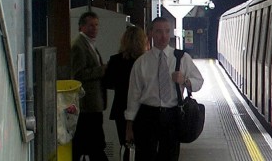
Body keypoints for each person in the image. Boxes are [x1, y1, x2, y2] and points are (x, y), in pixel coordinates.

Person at [125, 17, 205, 160]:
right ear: (151, 33)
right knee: (145, 156)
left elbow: (199, 81)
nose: (163, 36)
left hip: (172, 115)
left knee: (170, 156)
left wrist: (185, 81)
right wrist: (129, 125)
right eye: (159, 32)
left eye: (167, 31)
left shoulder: (182, 58)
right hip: (147, 114)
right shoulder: (142, 62)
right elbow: (134, 95)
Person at [104, 26, 148, 160]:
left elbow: (107, 83)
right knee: (144, 146)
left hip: (121, 108)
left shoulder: (115, 60)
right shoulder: (146, 61)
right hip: (143, 108)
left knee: (126, 145)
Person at [70, 11, 109, 161]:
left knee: (87, 143)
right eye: (91, 25)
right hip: (87, 105)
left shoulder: (89, 44)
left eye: (96, 25)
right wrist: (102, 70)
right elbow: (77, 75)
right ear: (81, 27)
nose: (95, 28)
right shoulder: (78, 46)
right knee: (94, 143)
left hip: (93, 104)